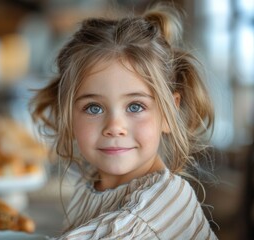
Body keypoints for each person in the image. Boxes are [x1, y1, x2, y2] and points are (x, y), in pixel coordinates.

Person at [30, 3, 218, 240]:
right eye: (94, 108)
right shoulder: (92, 185)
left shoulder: (152, 211)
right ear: (68, 115)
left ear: (169, 111)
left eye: (135, 106)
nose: (114, 127)